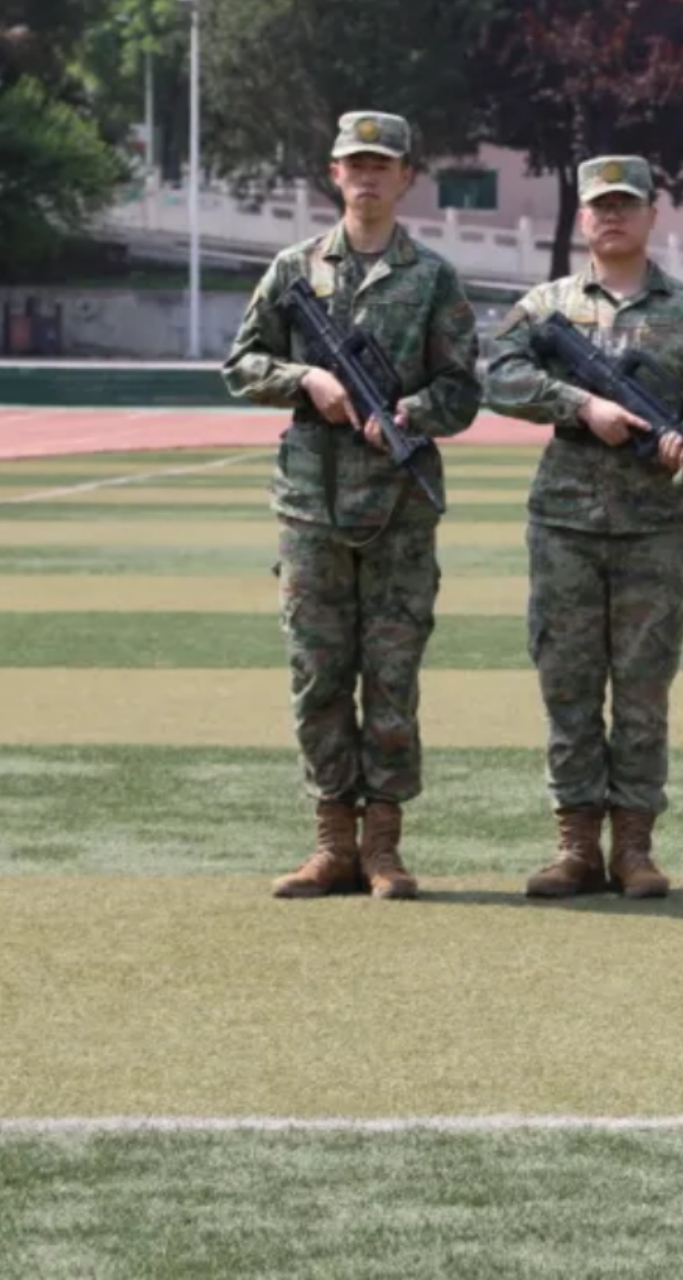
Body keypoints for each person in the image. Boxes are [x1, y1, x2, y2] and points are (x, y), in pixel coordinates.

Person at [222, 110, 480, 901]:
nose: (367, 176)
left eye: (381, 165)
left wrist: (411, 413)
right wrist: (308, 380)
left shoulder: (431, 278)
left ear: (406, 178)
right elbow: (241, 363)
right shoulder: (294, 270)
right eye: (354, 164)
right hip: (312, 506)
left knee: (392, 679)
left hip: (398, 508)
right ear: (334, 174)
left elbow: (464, 389)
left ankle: (383, 848)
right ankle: (331, 843)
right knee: (318, 675)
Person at [479, 155, 683, 901]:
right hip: (564, 520)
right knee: (567, 684)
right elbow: (498, 377)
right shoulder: (546, 306)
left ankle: (633, 849)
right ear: (584, 216)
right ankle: (574, 847)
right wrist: (580, 405)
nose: (612, 215)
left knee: (643, 689)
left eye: (626, 203)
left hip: (653, 523)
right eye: (600, 205)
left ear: (652, 214)